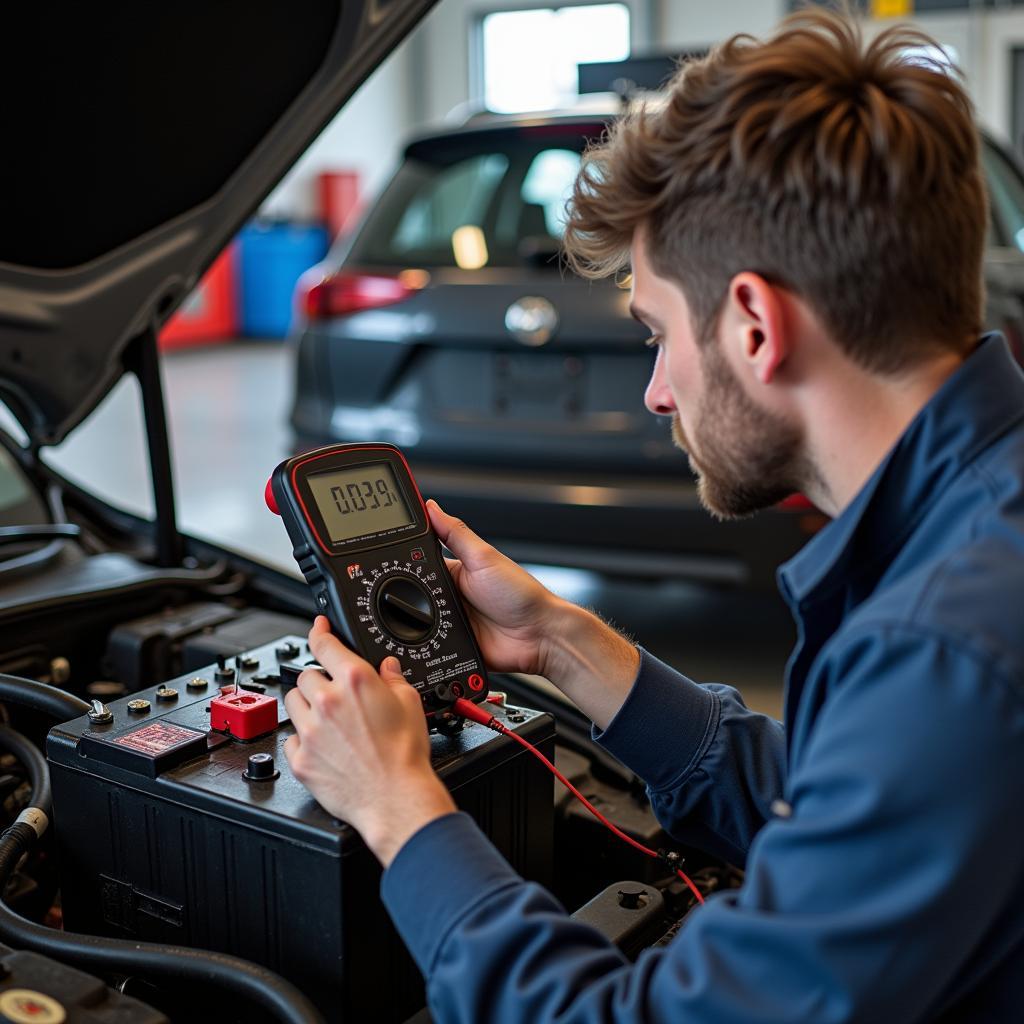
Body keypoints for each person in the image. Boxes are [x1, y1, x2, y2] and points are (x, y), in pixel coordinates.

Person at [283, 8, 1024, 1022]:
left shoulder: (947, 643)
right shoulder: (979, 518)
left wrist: (399, 808)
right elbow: (836, 804)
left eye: (656, 333)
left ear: (756, 326)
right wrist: (562, 640)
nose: (657, 393)